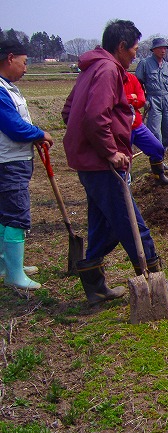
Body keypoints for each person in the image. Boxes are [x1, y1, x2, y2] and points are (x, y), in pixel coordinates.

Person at [62, 20, 168, 305]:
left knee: (101, 223)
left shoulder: (92, 68)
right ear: (120, 47)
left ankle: (94, 285)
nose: (134, 54)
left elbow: (69, 112)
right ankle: (155, 280)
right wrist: (108, 150)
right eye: (133, 49)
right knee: (133, 224)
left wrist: (84, 141)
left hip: (89, 164)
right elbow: (95, 117)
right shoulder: (107, 70)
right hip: (102, 165)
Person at [0, 40, 54, 290]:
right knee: (16, 215)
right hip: (8, 162)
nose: (26, 68)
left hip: (13, 159)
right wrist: (39, 133)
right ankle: (14, 275)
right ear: (10, 58)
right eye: (23, 62)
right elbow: (13, 126)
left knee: (4, 215)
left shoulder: (7, 87)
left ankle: (8, 265)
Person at [124, 72, 168, 185]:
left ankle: (159, 177)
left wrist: (128, 100)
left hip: (137, 125)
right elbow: (114, 101)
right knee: (124, 159)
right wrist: (130, 98)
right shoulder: (110, 79)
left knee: (157, 148)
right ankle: (124, 188)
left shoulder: (131, 78)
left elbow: (141, 100)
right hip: (121, 128)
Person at [135, 38, 168, 151]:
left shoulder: (167, 66)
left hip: (167, 100)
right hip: (153, 100)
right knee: (154, 131)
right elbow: (138, 84)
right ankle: (156, 158)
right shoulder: (145, 64)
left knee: (166, 131)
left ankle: (162, 156)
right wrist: (144, 99)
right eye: (160, 48)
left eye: (165, 48)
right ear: (154, 49)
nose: (163, 50)